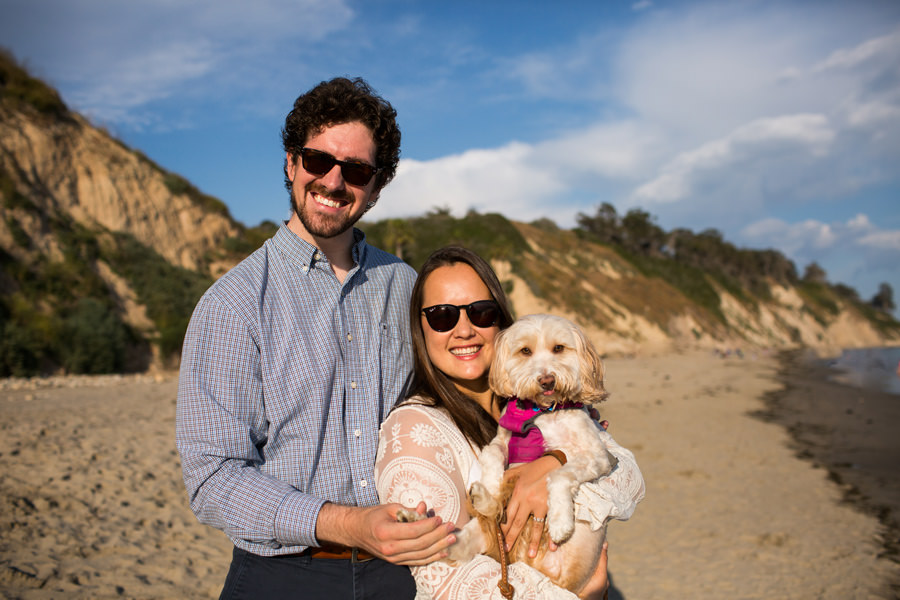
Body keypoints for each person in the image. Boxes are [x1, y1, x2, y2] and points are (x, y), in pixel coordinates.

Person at [176, 77, 455, 600]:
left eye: (356, 170)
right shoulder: (232, 304)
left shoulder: (406, 287)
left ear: (377, 186)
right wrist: (348, 524)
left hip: (408, 573)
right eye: (317, 161)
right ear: (290, 164)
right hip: (280, 576)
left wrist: (546, 461)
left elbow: (471, 396)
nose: (332, 181)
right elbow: (212, 479)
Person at [374, 247, 645, 600]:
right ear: (420, 329)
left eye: (481, 312)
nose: (464, 330)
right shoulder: (414, 429)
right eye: (442, 317)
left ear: (502, 322)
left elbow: (628, 476)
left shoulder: (536, 403)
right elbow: (444, 579)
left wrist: (554, 462)